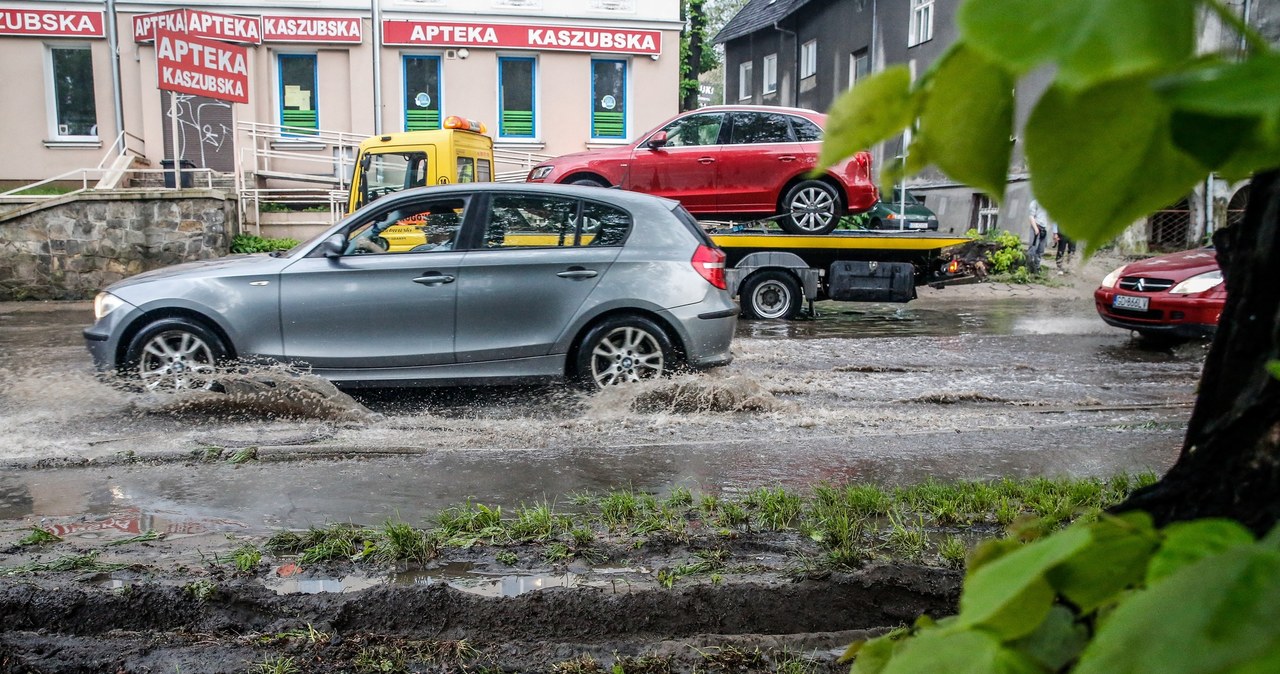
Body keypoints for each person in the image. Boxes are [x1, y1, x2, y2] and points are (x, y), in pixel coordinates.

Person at [1028, 198, 1051, 275]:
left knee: (1041, 250)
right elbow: (1031, 217)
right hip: (1036, 227)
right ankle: (1029, 268)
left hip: (1043, 229)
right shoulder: (1034, 203)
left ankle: (1037, 268)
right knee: (1033, 248)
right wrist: (1035, 229)